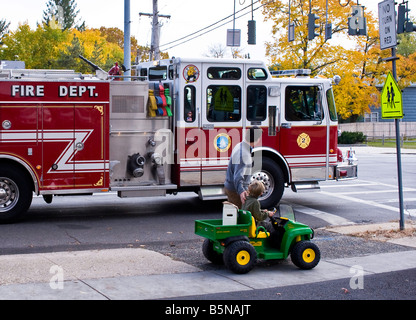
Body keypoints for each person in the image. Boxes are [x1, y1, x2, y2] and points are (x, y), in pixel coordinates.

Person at [224, 126, 262, 209]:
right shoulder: (244, 154)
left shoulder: (239, 145)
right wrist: (242, 192)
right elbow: (238, 176)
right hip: (236, 191)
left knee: (232, 215)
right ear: (257, 139)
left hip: (231, 187)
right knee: (239, 218)